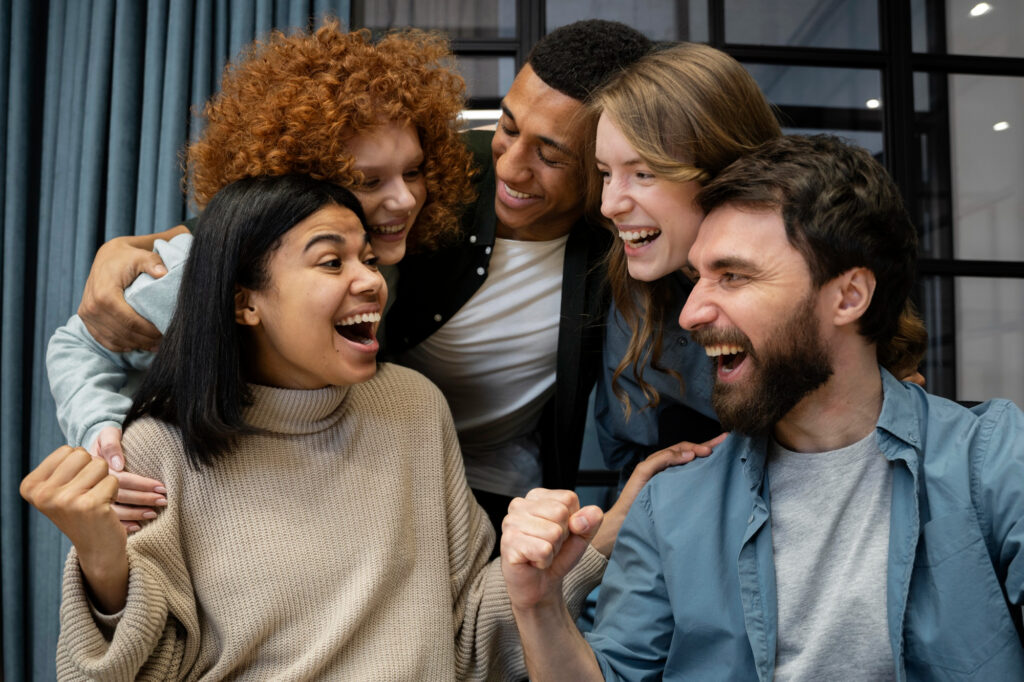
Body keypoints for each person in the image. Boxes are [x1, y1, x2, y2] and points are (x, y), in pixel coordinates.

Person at [65, 20, 657, 534]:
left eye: (552, 156)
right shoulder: (415, 177)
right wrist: (134, 255)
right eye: (505, 125)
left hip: (480, 490)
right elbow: (237, 236)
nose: (508, 163)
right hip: (310, 476)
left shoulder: (624, 233)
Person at [24, 174, 613, 680]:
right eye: (332, 261)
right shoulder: (157, 449)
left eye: (369, 259)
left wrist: (603, 535)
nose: (370, 281)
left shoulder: (413, 409)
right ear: (244, 303)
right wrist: (102, 562)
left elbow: (468, 640)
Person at [500, 135, 1024, 679]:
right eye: (698, 277)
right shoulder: (672, 505)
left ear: (848, 297)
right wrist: (538, 605)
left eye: (733, 276)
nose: (692, 312)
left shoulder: (991, 464)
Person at [47, 22, 475, 529]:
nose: (404, 200)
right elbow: (75, 346)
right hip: (176, 498)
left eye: (414, 171)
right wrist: (106, 439)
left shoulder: (382, 250)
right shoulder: (201, 270)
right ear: (300, 176)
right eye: (368, 180)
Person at [586, 42, 782, 478]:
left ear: (724, 171)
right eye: (605, 173)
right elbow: (627, 456)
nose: (609, 205)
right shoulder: (635, 287)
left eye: (643, 173)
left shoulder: (815, 282)